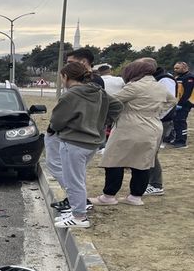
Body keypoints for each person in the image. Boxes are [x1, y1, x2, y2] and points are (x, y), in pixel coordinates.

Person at [91, 59, 176, 207]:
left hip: (129, 126)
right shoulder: (158, 86)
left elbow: (112, 101)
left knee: (114, 160)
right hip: (153, 126)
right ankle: (135, 196)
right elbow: (172, 100)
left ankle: (108, 196)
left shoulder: (135, 87)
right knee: (142, 163)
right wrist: (157, 112)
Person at [49, 63, 122, 229]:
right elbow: (118, 106)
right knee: (78, 178)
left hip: (73, 142)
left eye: (62, 77)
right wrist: (104, 123)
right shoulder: (99, 92)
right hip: (92, 143)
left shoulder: (70, 95)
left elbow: (57, 121)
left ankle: (79, 216)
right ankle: (76, 210)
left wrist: (56, 129)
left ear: (66, 77)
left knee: (73, 180)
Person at [145, 66, 178, 196]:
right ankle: (151, 182)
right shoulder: (157, 79)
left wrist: (157, 117)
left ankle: (156, 185)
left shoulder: (165, 80)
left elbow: (169, 102)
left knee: (151, 152)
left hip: (161, 121)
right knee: (149, 151)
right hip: (157, 120)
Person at [170, 61, 194, 148]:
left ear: (184, 68)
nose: (175, 69)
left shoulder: (189, 78)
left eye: (177, 68)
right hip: (177, 103)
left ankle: (181, 141)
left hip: (185, 104)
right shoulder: (178, 77)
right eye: (174, 68)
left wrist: (181, 104)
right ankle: (177, 138)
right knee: (176, 122)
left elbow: (187, 93)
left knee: (181, 121)